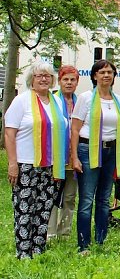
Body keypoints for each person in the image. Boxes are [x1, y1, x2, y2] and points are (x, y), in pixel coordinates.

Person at [4, 62, 67, 258]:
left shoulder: (56, 102)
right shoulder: (22, 101)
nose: (43, 79)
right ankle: (23, 252)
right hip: (26, 164)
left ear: (52, 79)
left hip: (49, 165)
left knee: (44, 207)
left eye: (47, 75)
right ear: (32, 79)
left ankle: (38, 249)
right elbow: (9, 133)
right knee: (25, 208)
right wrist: (13, 164)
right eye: (39, 75)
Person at [70, 60, 120, 253]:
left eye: (110, 72)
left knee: (104, 199)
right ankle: (83, 244)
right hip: (88, 150)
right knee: (87, 200)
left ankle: (101, 240)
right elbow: (75, 129)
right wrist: (74, 157)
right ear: (94, 76)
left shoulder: (118, 99)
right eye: (102, 72)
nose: (106, 75)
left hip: (111, 151)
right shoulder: (85, 98)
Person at [48, 65, 79, 239]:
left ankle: (64, 232)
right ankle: (50, 232)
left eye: (72, 79)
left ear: (76, 82)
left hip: (74, 157)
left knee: (69, 196)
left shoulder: (80, 101)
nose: (68, 83)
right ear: (59, 81)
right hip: (55, 156)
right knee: (53, 195)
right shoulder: (52, 100)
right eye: (65, 79)